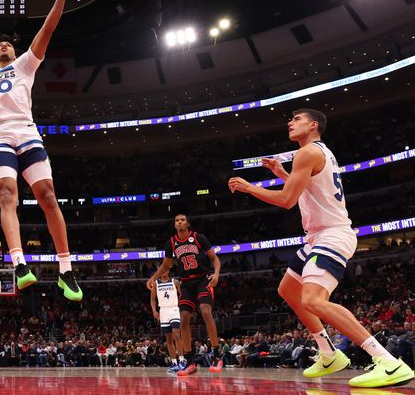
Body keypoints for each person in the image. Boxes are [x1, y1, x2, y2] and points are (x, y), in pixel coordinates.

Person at [228, 108, 414, 388]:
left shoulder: (307, 152)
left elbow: (288, 200)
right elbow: (305, 188)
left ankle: (388, 362)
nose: (290, 123)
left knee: (313, 300)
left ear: (313, 125)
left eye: (297, 119)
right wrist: (281, 172)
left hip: (332, 234)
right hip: (317, 236)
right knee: (288, 290)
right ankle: (328, 353)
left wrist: (249, 188)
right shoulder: (315, 153)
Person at [0, 0, 82, 301]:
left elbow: (49, 28)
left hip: (27, 131)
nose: (3, 46)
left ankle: (66, 271)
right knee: (6, 194)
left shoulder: (24, 66)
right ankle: (18, 264)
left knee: (47, 195)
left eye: (8, 45)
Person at [147, 214, 223, 376]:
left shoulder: (198, 238)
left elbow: (215, 259)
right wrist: (152, 278)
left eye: (182, 220)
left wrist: (216, 274)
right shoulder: (171, 243)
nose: (179, 222)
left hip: (203, 279)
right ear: (174, 225)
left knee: (205, 310)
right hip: (186, 283)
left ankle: (217, 356)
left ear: (187, 223)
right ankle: (189, 362)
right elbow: (165, 265)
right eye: (176, 220)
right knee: (184, 319)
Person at [149, 274, 185, 373]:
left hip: (174, 309)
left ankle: (182, 360)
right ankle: (174, 362)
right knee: (168, 340)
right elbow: (152, 299)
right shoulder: (155, 283)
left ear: (168, 271)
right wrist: (154, 311)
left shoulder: (175, 282)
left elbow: (183, 295)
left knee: (177, 335)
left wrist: (183, 307)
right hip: (163, 311)